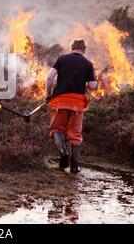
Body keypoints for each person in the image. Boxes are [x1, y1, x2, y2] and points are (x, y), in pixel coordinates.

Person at [45, 39, 97, 173]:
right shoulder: (88, 64)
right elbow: (92, 86)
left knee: (57, 129)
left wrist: (48, 95)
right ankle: (74, 167)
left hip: (60, 102)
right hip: (77, 104)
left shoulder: (62, 59)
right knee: (75, 135)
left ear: (72, 47)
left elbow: (49, 78)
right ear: (84, 49)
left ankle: (63, 153)